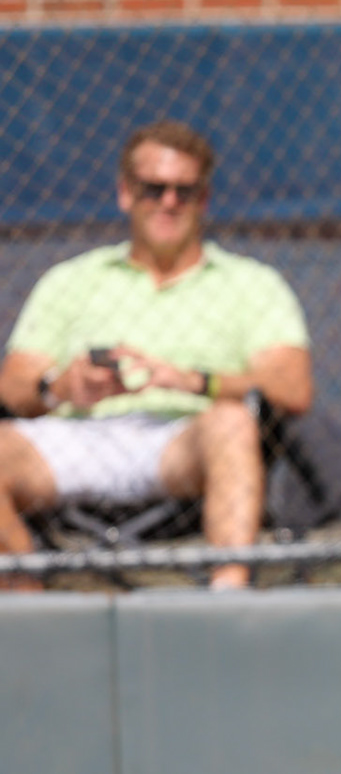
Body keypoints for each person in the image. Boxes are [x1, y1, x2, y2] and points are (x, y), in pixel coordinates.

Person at [0, 120, 313, 589]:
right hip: (74, 436)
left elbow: (292, 387)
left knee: (232, 423)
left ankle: (229, 604)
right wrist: (60, 387)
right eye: (154, 189)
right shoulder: (70, 280)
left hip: (181, 443)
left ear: (204, 200)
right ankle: (29, 603)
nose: (169, 202)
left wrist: (195, 381)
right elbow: (13, 385)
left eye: (185, 191)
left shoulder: (252, 284)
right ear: (126, 194)